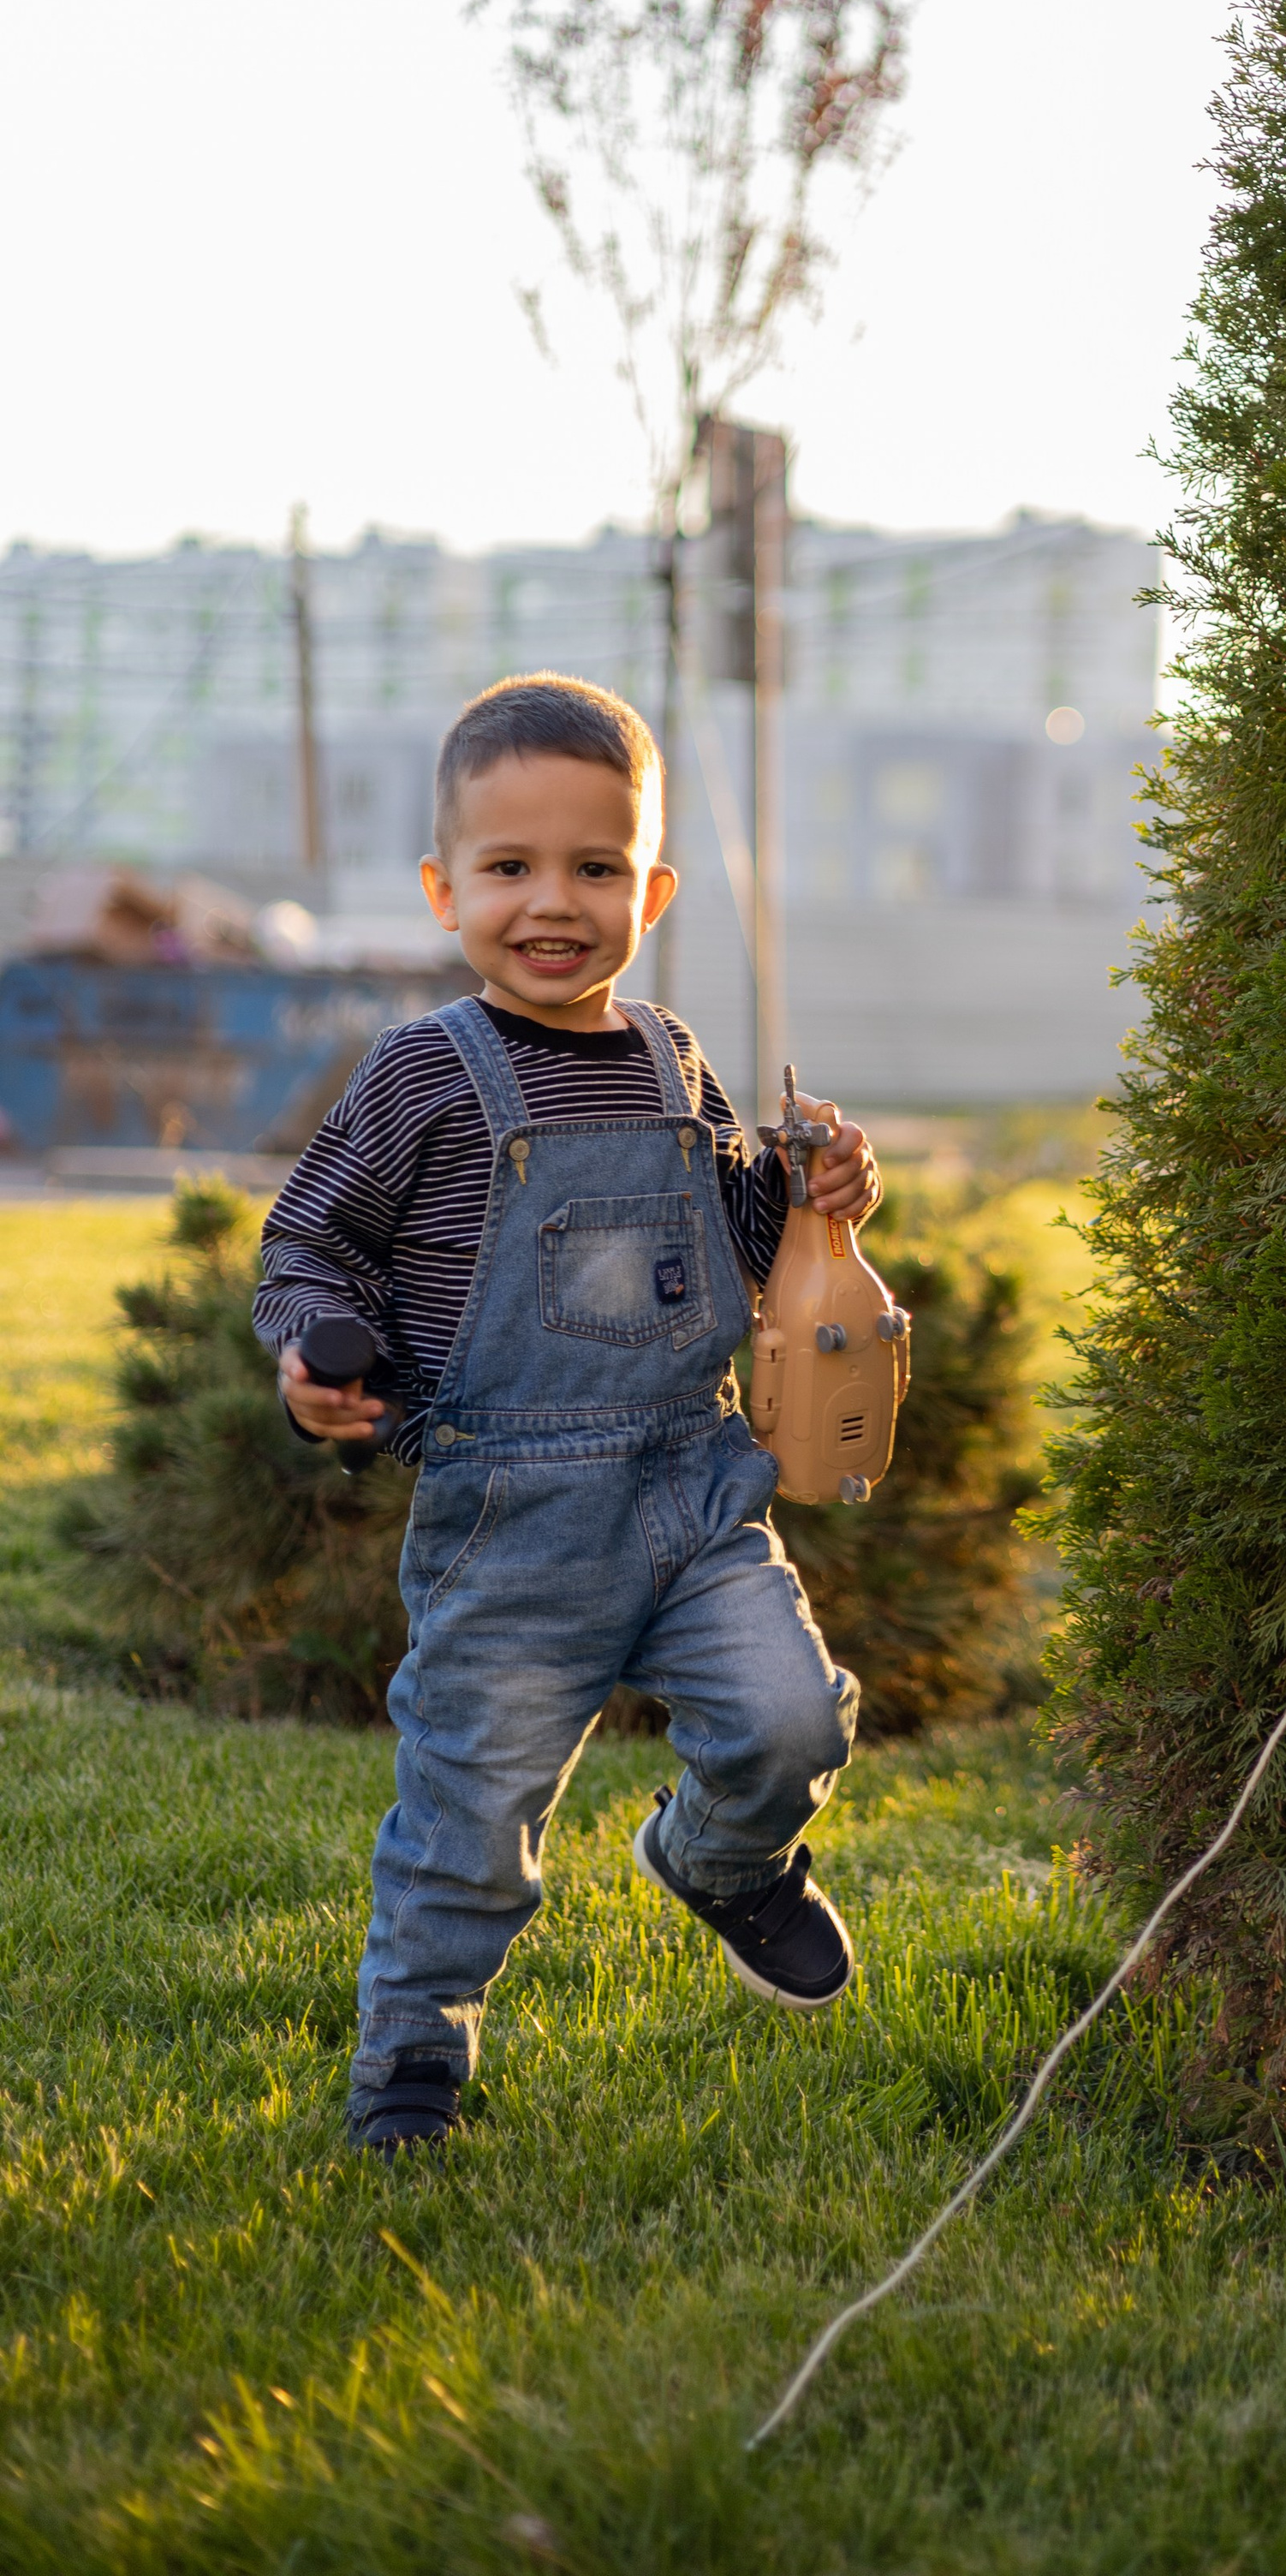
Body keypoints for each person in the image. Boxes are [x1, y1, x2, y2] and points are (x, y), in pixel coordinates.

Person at [256, 671, 880, 2155]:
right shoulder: (424, 1077)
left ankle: (725, 1859)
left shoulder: (678, 1064)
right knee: (468, 1816)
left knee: (796, 1718)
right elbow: (310, 1243)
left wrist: (818, 1193)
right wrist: (311, 1357)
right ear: (442, 888)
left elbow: (744, 1245)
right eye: (511, 868)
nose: (556, 902)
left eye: (596, 868)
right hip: (510, 1523)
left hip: (689, 1488)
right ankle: (414, 2054)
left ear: (651, 889)